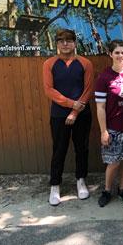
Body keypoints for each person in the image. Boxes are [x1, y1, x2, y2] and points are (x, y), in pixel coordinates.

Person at [42, 29, 94, 206]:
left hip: (82, 113)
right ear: (56, 43)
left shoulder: (85, 63)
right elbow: (49, 90)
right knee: (59, 149)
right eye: (61, 40)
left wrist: (75, 112)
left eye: (69, 40)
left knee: (82, 148)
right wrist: (71, 105)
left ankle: (81, 181)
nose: (65, 44)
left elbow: (88, 90)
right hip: (59, 115)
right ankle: (55, 185)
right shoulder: (49, 63)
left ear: (74, 43)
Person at [95, 39, 123, 214]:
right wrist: (103, 131)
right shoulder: (104, 77)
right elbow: (100, 107)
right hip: (113, 128)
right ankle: (107, 191)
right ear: (110, 54)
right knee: (113, 162)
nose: (120, 55)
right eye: (117, 52)